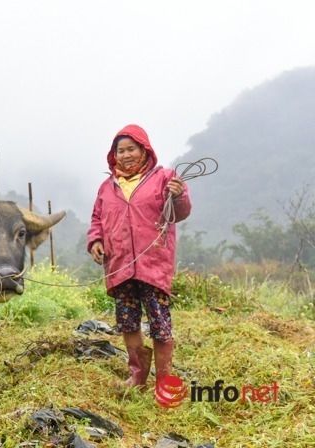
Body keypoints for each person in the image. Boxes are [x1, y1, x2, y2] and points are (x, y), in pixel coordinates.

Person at [87, 124, 191, 390]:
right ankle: (138, 376)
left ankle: (165, 380)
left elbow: (179, 213)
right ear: (114, 156)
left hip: (153, 263)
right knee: (127, 321)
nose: (125, 155)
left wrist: (178, 197)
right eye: (120, 151)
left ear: (144, 150)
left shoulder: (165, 178)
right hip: (119, 264)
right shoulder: (107, 187)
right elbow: (97, 219)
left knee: (159, 322)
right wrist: (96, 240)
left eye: (131, 149)